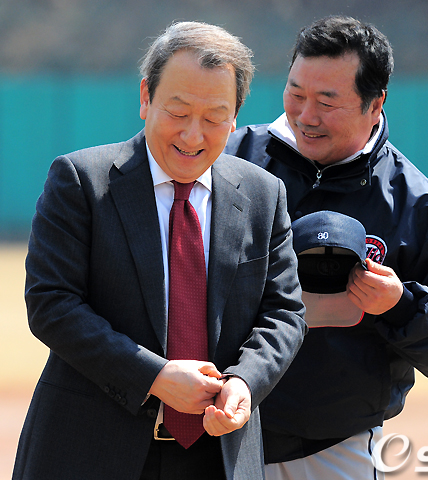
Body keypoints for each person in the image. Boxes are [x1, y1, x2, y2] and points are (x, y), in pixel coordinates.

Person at [13, 21, 307, 480]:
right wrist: (154, 376)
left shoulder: (263, 195)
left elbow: (285, 313)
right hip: (89, 451)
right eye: (178, 111)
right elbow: (51, 303)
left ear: (235, 117)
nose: (193, 135)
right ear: (146, 97)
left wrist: (245, 381)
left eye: (214, 117)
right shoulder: (81, 181)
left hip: (220, 455)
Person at [224, 15, 428, 480]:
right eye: (296, 93)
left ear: (375, 104)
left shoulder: (415, 206)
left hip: (332, 449)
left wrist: (401, 305)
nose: (306, 115)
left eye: (327, 102)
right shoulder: (228, 161)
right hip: (211, 434)